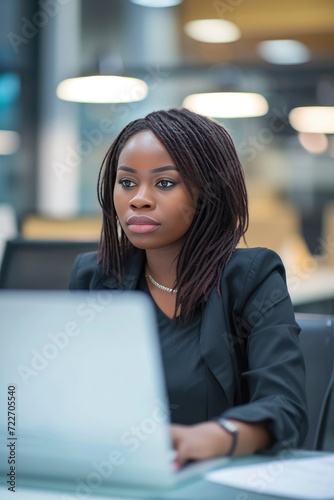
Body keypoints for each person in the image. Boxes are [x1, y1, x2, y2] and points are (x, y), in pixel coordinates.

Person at [69, 107, 308, 468]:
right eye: (127, 182)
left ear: (208, 193)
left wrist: (214, 437)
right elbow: (68, 395)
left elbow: (285, 409)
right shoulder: (94, 276)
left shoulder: (251, 277)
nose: (139, 199)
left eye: (165, 183)